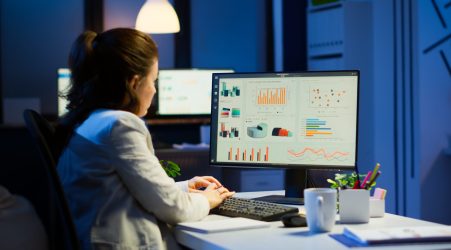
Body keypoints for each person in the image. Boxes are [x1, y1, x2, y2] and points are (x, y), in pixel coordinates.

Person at [55, 28, 235, 249]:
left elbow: (130, 190)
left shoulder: (90, 121)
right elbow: (174, 209)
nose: (154, 90)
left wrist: (186, 188)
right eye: (154, 80)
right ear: (134, 82)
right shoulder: (120, 125)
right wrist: (207, 200)